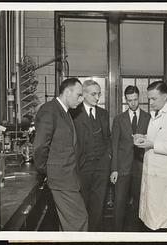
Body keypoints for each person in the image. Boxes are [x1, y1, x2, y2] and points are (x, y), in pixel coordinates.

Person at [33, 77, 88, 231]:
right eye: (79, 95)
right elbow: (39, 146)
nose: (82, 99)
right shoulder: (50, 110)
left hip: (67, 177)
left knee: (70, 223)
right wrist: (45, 171)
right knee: (79, 222)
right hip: (61, 178)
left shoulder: (65, 112)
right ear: (67, 92)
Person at [136, 81, 167, 230]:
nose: (150, 102)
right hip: (153, 171)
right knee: (152, 216)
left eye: (154, 99)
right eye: (149, 99)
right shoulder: (156, 113)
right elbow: (159, 137)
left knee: (162, 218)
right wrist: (144, 137)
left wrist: (152, 145)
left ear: (165, 96)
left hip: (164, 175)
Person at [71, 79, 112, 231]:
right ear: (84, 94)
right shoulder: (74, 113)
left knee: (98, 206)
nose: (97, 97)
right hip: (82, 167)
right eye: (94, 94)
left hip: (101, 168)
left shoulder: (103, 113)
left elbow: (108, 138)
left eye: (99, 94)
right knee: (82, 205)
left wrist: (107, 158)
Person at [110, 85, 151, 231]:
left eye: (135, 99)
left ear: (138, 98)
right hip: (123, 168)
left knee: (140, 204)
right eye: (129, 100)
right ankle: (117, 235)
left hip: (141, 166)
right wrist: (114, 169)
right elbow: (114, 145)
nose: (133, 103)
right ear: (125, 100)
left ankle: (137, 234)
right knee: (120, 203)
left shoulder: (148, 118)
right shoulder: (119, 119)